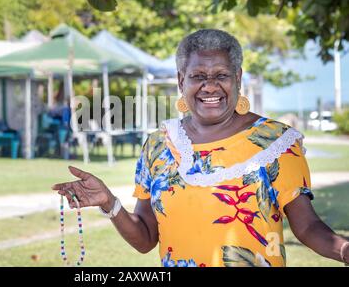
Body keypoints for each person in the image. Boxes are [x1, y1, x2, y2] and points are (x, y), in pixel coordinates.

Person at [52, 29, 349, 267]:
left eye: (221, 75)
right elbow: (144, 239)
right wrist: (109, 202)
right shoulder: (159, 145)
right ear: (182, 81)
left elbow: (308, 227)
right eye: (198, 76)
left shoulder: (276, 142)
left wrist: (345, 250)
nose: (210, 86)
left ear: (238, 79)